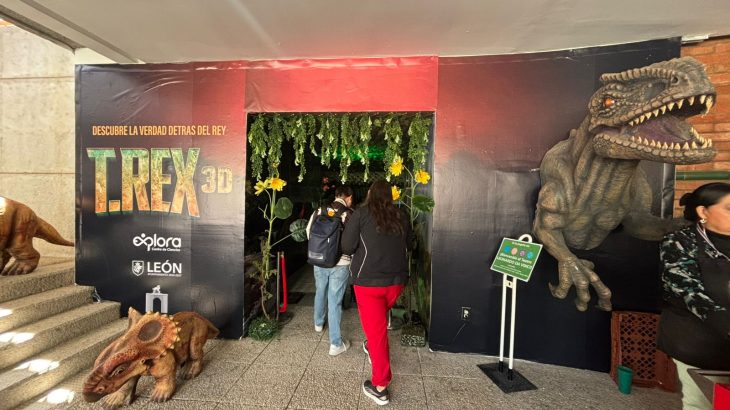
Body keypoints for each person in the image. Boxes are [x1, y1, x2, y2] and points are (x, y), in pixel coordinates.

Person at [658, 182, 730, 410]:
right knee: (700, 402)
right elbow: (687, 290)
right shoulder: (679, 241)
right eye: (729, 208)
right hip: (698, 340)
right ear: (703, 211)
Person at [341, 180, 414, 406]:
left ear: (370, 194)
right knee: (377, 325)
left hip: (369, 284)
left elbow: (346, 247)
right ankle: (371, 346)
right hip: (396, 283)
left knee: (377, 333)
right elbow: (410, 245)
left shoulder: (361, 214)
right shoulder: (401, 215)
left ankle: (380, 387)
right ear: (390, 196)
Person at [306, 185, 354, 356]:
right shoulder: (349, 214)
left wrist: (320, 250)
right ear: (349, 197)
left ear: (336, 195)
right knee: (334, 301)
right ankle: (335, 344)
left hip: (319, 259)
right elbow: (352, 241)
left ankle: (318, 324)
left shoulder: (320, 210)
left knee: (320, 290)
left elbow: (308, 231)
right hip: (340, 263)